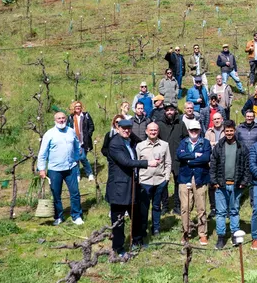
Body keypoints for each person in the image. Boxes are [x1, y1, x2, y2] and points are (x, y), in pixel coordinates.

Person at [103, 117, 157, 259]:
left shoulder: (128, 140)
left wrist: (131, 135)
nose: (126, 131)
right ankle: (118, 248)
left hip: (132, 185)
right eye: (123, 129)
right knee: (119, 220)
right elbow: (126, 162)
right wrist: (147, 163)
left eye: (129, 129)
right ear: (118, 128)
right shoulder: (115, 144)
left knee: (136, 215)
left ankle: (137, 240)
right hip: (119, 188)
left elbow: (139, 142)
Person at [37, 112, 84, 226]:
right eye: (59, 118)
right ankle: (58, 216)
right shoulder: (49, 134)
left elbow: (77, 146)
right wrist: (42, 169)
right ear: (55, 120)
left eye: (63, 118)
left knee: (75, 193)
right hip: (55, 170)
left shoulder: (71, 131)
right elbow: (42, 153)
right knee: (56, 194)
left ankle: (76, 215)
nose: (61, 120)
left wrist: (76, 159)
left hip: (70, 167)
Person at [210, 120, 250, 249]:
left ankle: (234, 235)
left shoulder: (241, 147)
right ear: (224, 131)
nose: (229, 133)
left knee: (234, 211)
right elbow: (213, 165)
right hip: (221, 185)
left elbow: (246, 166)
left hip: (236, 184)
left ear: (234, 131)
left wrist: (244, 182)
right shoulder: (219, 147)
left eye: (231, 131)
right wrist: (214, 181)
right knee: (221, 212)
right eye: (226, 131)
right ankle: (221, 237)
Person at [175, 120, 211, 244]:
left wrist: (189, 160)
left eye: (196, 130)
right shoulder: (183, 143)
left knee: (201, 207)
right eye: (192, 130)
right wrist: (196, 155)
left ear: (200, 131)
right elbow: (179, 156)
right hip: (185, 178)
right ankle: (186, 231)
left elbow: (206, 158)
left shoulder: (205, 143)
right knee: (185, 207)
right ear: (188, 131)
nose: (194, 132)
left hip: (200, 178)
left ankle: (202, 233)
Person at [156, 103, 187, 214]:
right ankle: (164, 205)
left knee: (178, 182)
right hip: (163, 158)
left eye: (171, 110)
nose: (169, 112)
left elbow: (186, 138)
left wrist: (183, 151)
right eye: (167, 110)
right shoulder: (159, 124)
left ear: (175, 111)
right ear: (165, 111)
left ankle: (177, 206)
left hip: (178, 158)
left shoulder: (180, 123)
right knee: (163, 182)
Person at [67, 101, 95, 181]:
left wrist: (88, 134)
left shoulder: (86, 115)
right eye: (76, 106)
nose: (78, 108)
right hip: (74, 141)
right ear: (74, 108)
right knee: (76, 159)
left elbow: (92, 126)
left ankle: (89, 173)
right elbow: (68, 128)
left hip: (84, 141)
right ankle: (77, 174)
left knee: (82, 157)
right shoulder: (70, 117)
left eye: (79, 106)